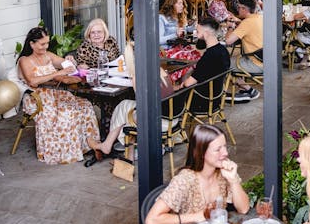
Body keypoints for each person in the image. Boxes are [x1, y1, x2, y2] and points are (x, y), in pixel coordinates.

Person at [96, 19, 232, 155]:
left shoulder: (209, 56)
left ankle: (115, 144)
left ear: (207, 33)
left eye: (198, 31)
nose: (195, 33)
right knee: (134, 103)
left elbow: (188, 84)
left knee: (124, 105)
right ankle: (115, 143)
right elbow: (191, 80)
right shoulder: (222, 51)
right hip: (212, 97)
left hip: (196, 102)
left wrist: (176, 87)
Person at [17, 26, 102, 164]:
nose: (46, 47)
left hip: (55, 93)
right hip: (37, 98)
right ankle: (66, 152)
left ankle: (89, 145)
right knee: (67, 112)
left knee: (85, 106)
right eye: (42, 44)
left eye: (47, 43)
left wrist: (72, 62)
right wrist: (57, 73)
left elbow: (65, 64)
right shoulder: (24, 60)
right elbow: (32, 81)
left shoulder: (48, 55)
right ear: (32, 44)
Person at [145, 124, 249, 224]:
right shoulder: (184, 180)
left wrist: (233, 180)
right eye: (218, 149)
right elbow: (151, 221)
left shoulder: (224, 173)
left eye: (225, 147)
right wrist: (195, 217)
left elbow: (244, 209)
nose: (225, 153)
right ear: (201, 152)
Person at [225, 0, 263, 102]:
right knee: (230, 61)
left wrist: (230, 27)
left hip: (256, 63)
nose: (237, 10)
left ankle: (249, 90)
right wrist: (239, 23)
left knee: (222, 63)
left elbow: (228, 41)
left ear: (244, 9)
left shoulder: (247, 23)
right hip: (266, 60)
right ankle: (246, 88)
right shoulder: (259, 17)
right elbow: (248, 28)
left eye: (239, 7)